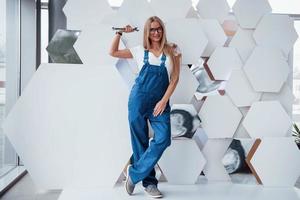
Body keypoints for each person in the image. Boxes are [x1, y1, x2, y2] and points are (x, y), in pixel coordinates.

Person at [109, 16, 181, 198]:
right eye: (152, 29)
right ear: (147, 32)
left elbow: (175, 79)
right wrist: (119, 32)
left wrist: (164, 101)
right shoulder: (139, 50)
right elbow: (113, 52)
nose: (156, 32)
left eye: (159, 29)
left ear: (163, 30)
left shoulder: (173, 50)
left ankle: (133, 174)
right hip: (139, 100)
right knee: (139, 141)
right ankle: (149, 184)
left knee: (163, 139)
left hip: (160, 102)